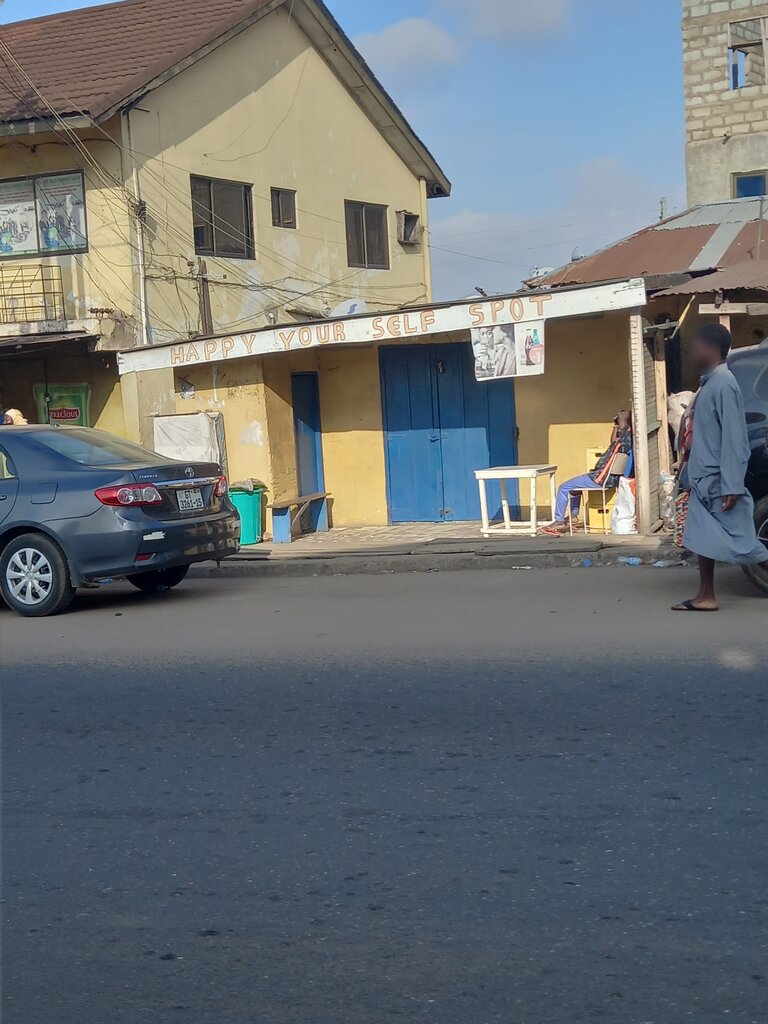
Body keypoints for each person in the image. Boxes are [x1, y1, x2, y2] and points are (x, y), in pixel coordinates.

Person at [672, 323, 768, 612]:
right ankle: (705, 595)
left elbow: (735, 438)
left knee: (743, 542)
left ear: (712, 350)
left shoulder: (724, 384)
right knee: (703, 538)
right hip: (704, 478)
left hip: (717, 479)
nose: (691, 352)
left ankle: (706, 595)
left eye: (696, 347)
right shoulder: (711, 382)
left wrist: (732, 483)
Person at [542, 410, 633, 534]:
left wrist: (620, 417)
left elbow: (622, 417)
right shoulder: (625, 440)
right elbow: (612, 441)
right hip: (607, 478)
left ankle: (559, 521)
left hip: (599, 478)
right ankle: (573, 516)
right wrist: (615, 425)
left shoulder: (625, 438)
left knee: (564, 487)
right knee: (575, 489)